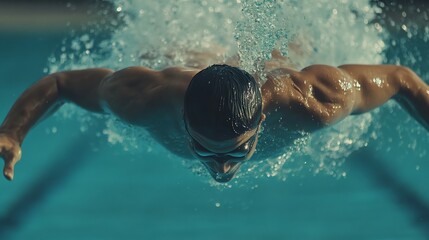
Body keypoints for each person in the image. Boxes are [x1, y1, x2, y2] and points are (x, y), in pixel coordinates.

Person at [0, 50, 428, 183]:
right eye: (202, 147)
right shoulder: (144, 99)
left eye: (237, 154)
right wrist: (13, 132)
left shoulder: (313, 104)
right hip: (182, 62)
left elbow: (399, 78)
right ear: (183, 121)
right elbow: (61, 85)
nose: (220, 166)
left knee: (289, 52)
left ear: (262, 123)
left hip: (280, 68)